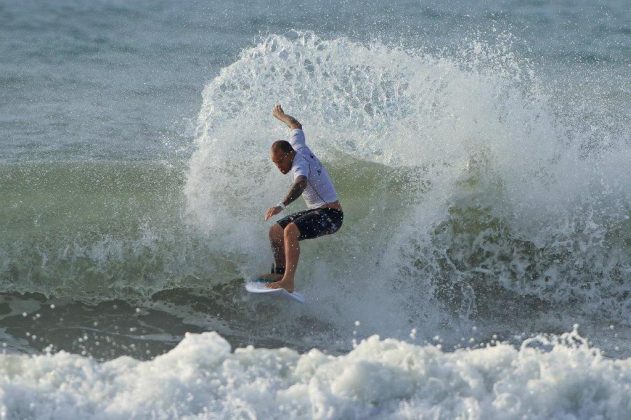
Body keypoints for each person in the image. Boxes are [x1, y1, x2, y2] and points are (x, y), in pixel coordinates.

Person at [261, 104, 343, 293]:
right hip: (317, 211)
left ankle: (288, 281)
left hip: (332, 216)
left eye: (281, 161)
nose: (279, 166)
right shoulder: (297, 145)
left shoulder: (299, 165)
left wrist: (281, 205)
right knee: (275, 231)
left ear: (289, 154)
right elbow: (296, 125)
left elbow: (301, 184)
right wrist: (281, 116)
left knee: (290, 230)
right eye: (275, 163)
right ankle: (279, 275)